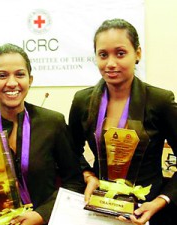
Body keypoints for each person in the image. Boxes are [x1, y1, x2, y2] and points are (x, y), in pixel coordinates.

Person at [69, 18, 177, 225]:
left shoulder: (159, 101)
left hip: (148, 211)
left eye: (120, 53)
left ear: (137, 54)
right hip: (99, 208)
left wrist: (160, 201)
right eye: (103, 55)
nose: (110, 63)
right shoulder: (83, 101)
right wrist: (88, 175)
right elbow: (70, 151)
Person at [0, 43, 84, 225]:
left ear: (30, 79)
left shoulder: (52, 123)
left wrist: (41, 215)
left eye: (19, 74)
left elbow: (74, 183)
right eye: (2, 75)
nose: (12, 83)